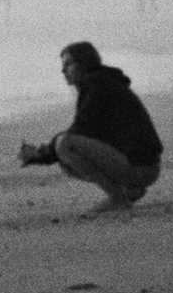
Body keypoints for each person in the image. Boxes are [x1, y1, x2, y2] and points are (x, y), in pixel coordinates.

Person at [20, 41, 164, 209]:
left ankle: (118, 198)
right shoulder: (101, 82)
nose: (63, 71)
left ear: (83, 64)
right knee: (64, 158)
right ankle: (127, 191)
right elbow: (88, 132)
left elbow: (82, 129)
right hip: (144, 167)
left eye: (67, 64)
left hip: (140, 168)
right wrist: (43, 154)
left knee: (65, 145)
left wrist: (43, 153)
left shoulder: (97, 84)